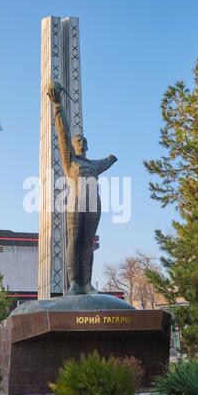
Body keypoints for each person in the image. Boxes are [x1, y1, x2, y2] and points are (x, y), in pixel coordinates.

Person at [47, 81, 117, 295]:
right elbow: (63, 134)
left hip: (94, 203)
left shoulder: (93, 164)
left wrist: (111, 158)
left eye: (84, 140)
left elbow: (106, 161)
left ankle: (87, 283)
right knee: (75, 241)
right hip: (76, 202)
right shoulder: (71, 161)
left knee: (88, 242)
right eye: (78, 139)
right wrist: (57, 105)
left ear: (87, 145)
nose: (81, 141)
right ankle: (74, 284)